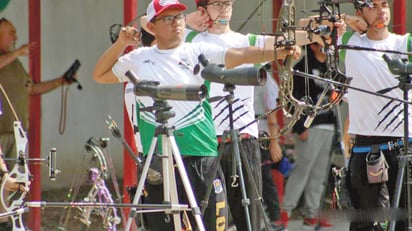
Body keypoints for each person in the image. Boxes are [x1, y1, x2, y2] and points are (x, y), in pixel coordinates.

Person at [93, 1, 300, 230]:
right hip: (159, 158)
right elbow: (100, 74)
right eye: (168, 19)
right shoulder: (139, 58)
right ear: (152, 27)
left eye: (179, 17)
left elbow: (239, 54)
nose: (177, 23)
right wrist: (121, 43)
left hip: (200, 155)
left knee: (207, 224)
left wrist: (277, 51)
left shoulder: (197, 51)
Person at [183, 1, 322, 229]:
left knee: (249, 218)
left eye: (227, 2)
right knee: (207, 217)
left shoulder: (245, 40)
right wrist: (189, 20)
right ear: (202, 8)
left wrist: (321, 30)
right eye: (216, 3)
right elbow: (150, 28)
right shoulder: (190, 41)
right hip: (205, 142)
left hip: (244, 140)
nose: (224, 8)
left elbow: (281, 41)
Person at [337, 0, 410, 230]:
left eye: (385, 5)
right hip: (365, 147)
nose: (382, 12)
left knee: (404, 222)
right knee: (363, 224)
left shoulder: (404, 43)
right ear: (360, 11)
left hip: (403, 146)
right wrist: (349, 20)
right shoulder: (349, 43)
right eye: (373, 6)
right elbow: (305, 26)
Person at [0, 17, 76, 229]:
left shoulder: (14, 63)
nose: (15, 37)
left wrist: (61, 81)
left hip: (15, 133)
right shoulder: (10, 58)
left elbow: (31, 89)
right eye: (10, 32)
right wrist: (17, 52)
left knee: (14, 181)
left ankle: (9, 222)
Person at [277, 42, 336, 230]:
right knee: (302, 170)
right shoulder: (303, 67)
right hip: (310, 126)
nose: (327, 46)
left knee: (320, 173)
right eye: (322, 43)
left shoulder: (330, 67)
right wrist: (300, 127)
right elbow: (293, 100)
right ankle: (285, 211)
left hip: (329, 125)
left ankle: (312, 214)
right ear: (313, 46)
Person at [253, 68, 284, 230]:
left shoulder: (266, 80)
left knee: (263, 178)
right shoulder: (264, 78)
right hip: (257, 131)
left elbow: (272, 115)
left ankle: (273, 219)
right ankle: (270, 218)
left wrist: (274, 142)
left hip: (260, 133)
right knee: (262, 179)